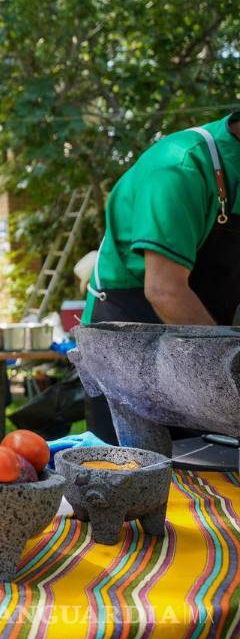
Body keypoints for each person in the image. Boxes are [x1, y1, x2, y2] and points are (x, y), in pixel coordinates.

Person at [83, 111, 240, 440]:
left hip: (203, 347)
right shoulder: (179, 165)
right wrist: (228, 369)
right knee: (136, 478)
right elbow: (165, 291)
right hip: (131, 347)